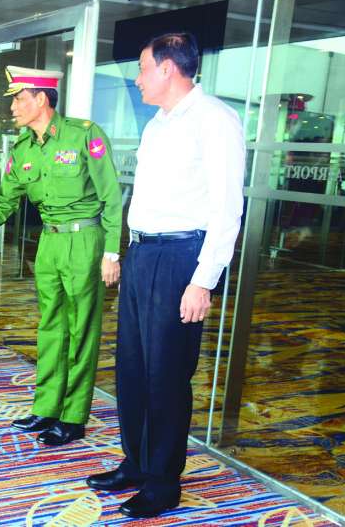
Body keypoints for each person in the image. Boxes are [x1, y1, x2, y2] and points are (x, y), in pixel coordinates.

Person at [86, 32, 245, 519]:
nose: (136, 79)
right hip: (143, 254)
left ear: (168, 69)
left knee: (167, 375)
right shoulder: (158, 123)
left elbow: (227, 208)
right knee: (132, 368)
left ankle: (162, 482)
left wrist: (204, 280)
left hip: (181, 259)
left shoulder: (215, 119)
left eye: (142, 68)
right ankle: (136, 462)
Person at [0, 66, 122, 447]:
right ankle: (46, 407)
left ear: (42, 99)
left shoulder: (84, 135)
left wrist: (111, 252)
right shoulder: (23, 149)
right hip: (48, 243)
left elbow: (111, 196)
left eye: (19, 99)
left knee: (82, 331)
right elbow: (5, 204)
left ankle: (73, 416)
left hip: (85, 241)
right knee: (50, 328)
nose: (13, 107)